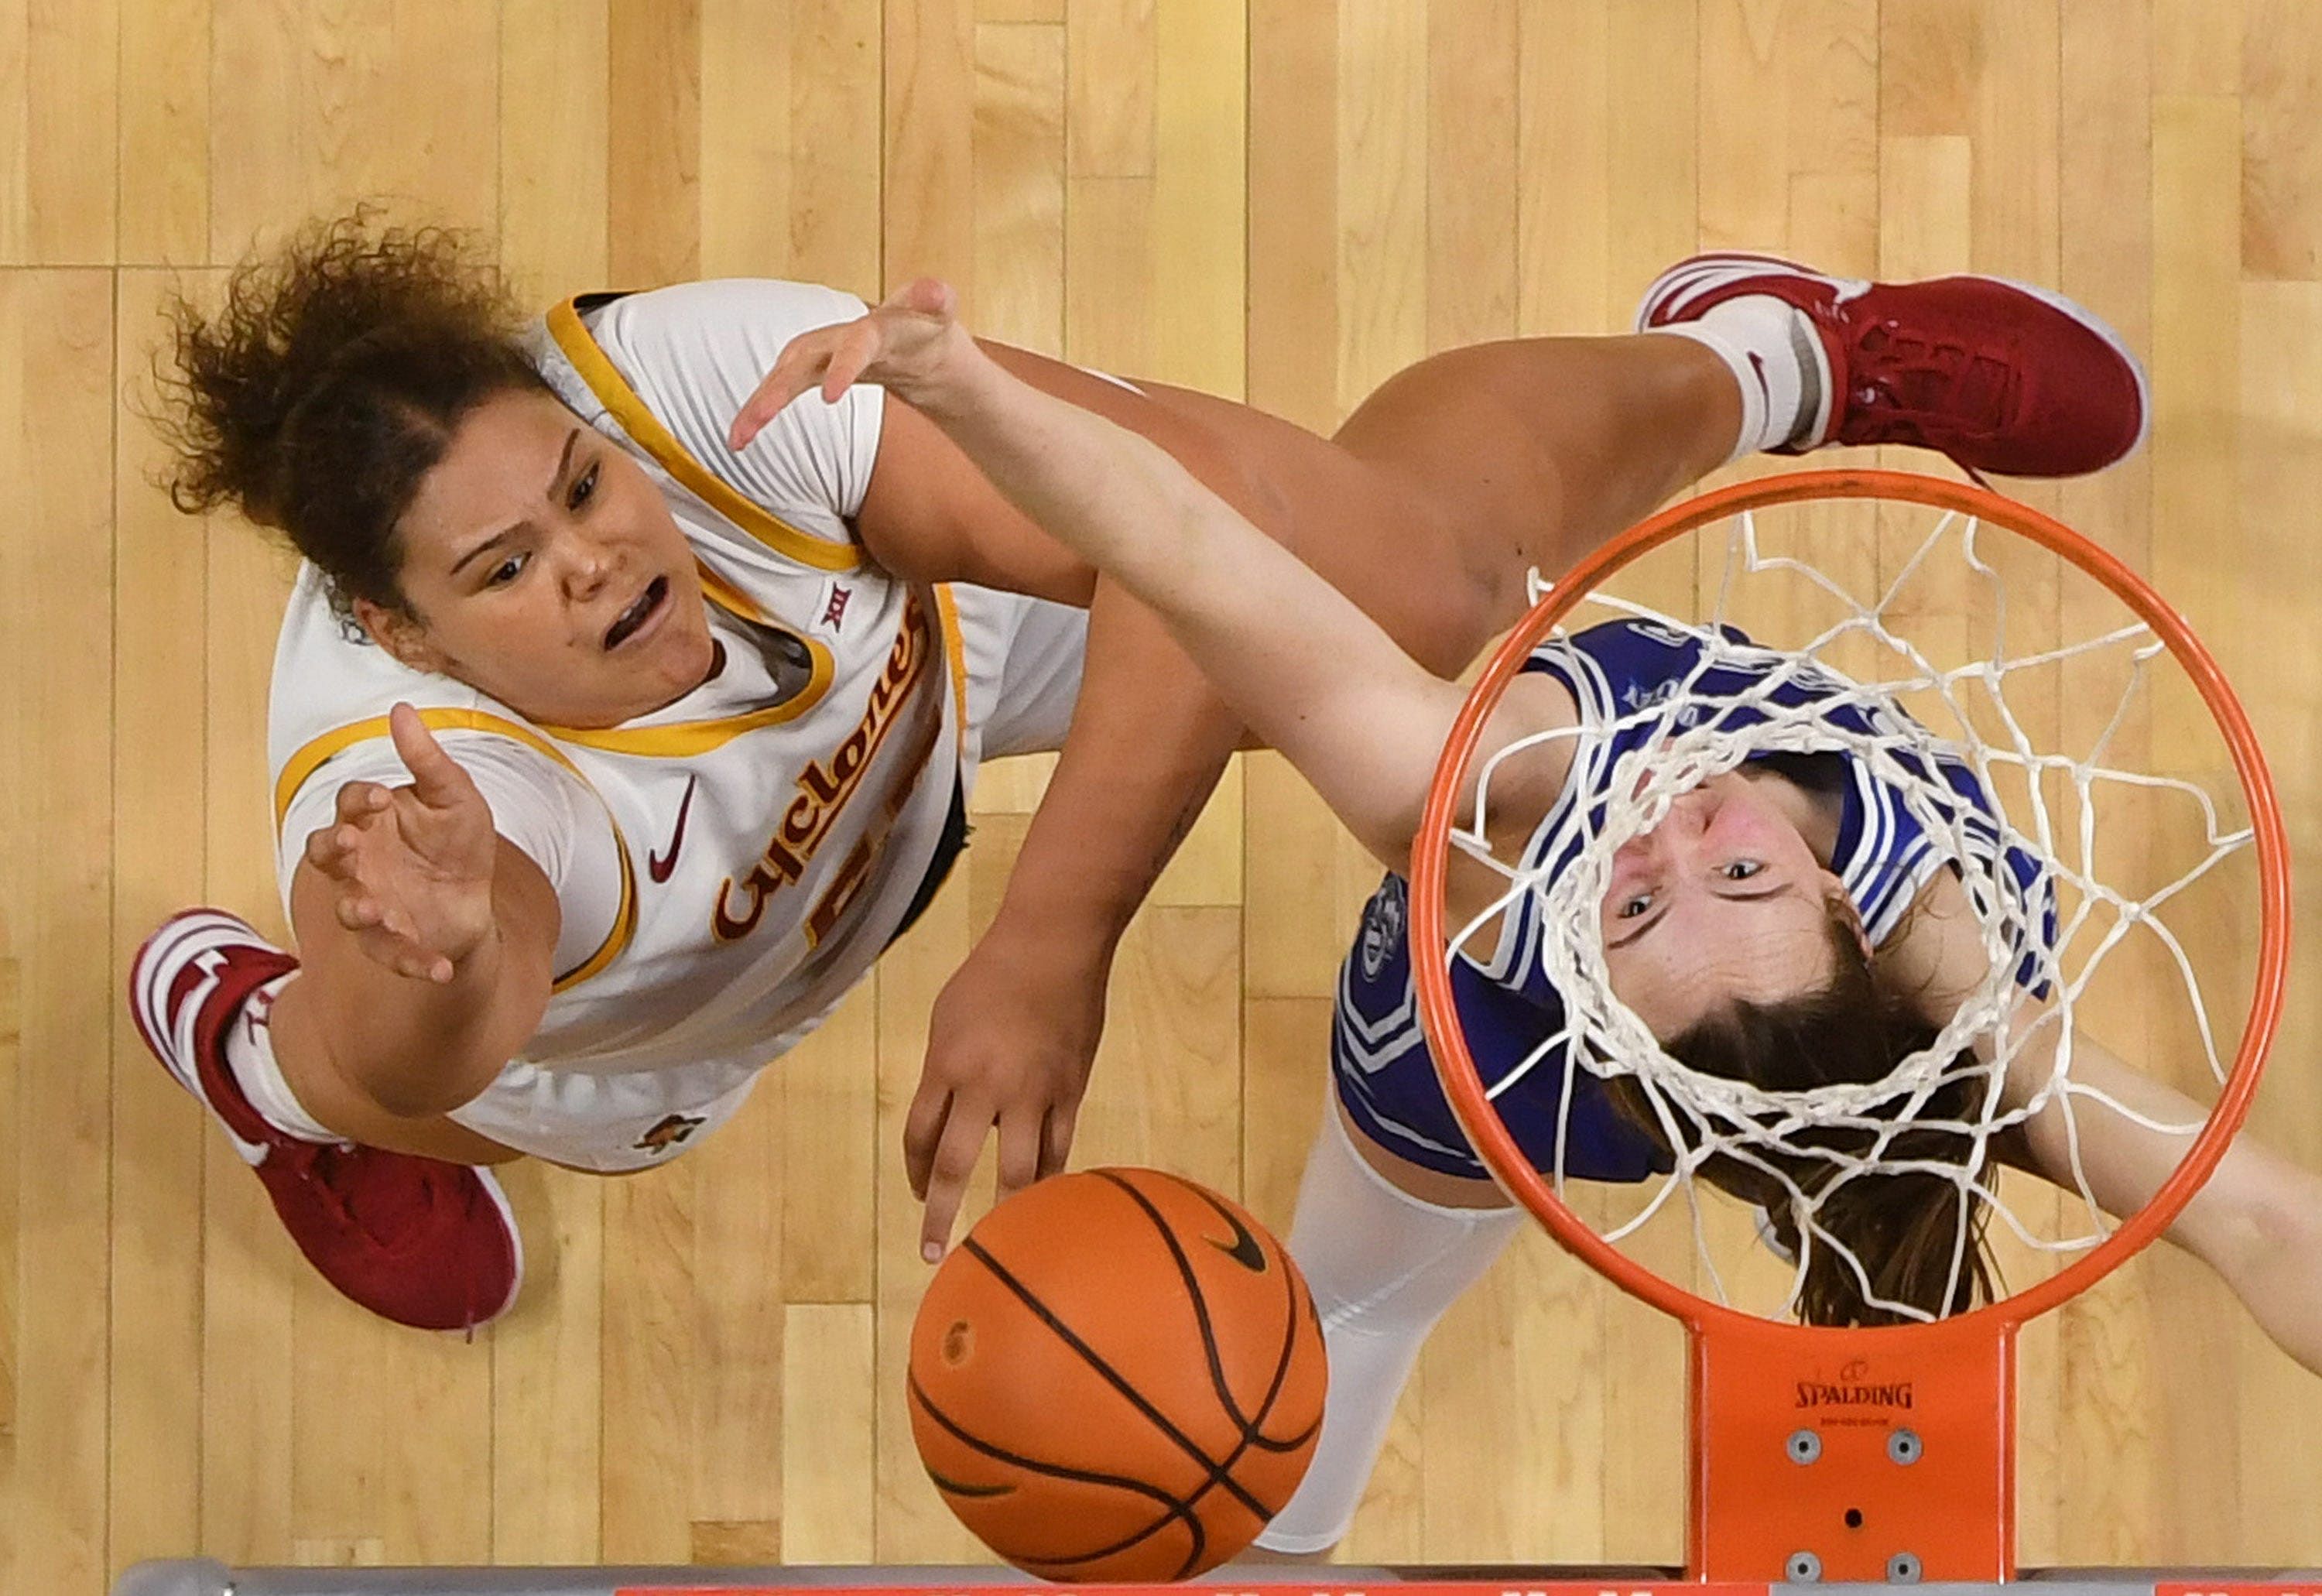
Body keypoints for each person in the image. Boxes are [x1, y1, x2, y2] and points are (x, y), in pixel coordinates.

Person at [125, 218, 2128, 1332]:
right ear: (404, 637)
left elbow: (1206, 506)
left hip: (918, 671)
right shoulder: (418, 825)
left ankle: (1782, 351)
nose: (597, 558)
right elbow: (444, 1031)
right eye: (506, 573)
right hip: (646, 995)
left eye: (578, 488)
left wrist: (1049, 932)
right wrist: (434, 967)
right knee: (395, 1096)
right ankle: (234, 1055)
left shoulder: (705, 391)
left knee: (1416, 569)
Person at [741, 261, 2322, 1557]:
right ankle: (1780, 354)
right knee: (1459, 545)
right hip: (1751, 970)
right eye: (1749, 864)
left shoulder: (1481, 800)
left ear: (1590, 970)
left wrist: (963, 389)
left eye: (1639, 905)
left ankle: (1269, 1558)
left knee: (1343, 1302)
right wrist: (958, 385)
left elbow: (1190, 547)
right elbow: (2263, 1220)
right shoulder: (1962, 987)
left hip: (1471, 1063)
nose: (1668, 831)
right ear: (1846, 890)